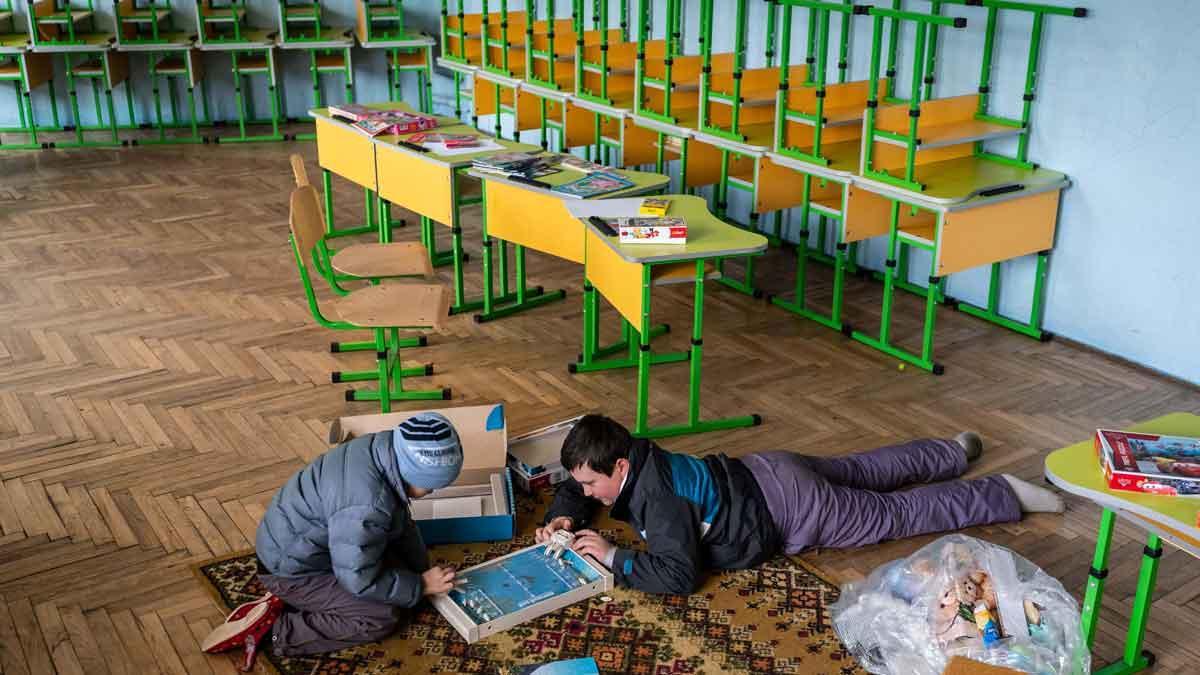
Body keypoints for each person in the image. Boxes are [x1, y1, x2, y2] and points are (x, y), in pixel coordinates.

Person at [537, 414, 1063, 596]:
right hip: (767, 467)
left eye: (588, 485)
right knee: (866, 469)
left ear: (620, 469)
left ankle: (1005, 493)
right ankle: (952, 449)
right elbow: (580, 481)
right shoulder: (634, 451)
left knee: (893, 515)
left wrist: (613, 557)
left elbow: (678, 575)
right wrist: (566, 512)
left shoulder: (660, 503)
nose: (586, 493)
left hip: (790, 508)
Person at [201, 412, 464, 670]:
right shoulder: (367, 505)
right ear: (412, 472)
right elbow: (358, 579)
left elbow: (400, 526)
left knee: (399, 579)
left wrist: (418, 573)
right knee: (381, 616)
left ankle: (305, 599)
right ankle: (277, 630)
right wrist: (419, 584)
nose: (432, 492)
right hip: (291, 571)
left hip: (301, 548)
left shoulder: (382, 448)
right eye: (431, 486)